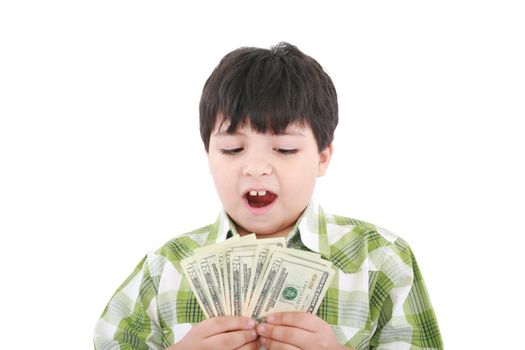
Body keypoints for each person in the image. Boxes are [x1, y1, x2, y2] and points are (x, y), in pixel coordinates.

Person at [93, 42, 443, 350]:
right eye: (232, 149)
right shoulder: (166, 266)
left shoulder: (380, 259)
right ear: (208, 156)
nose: (256, 167)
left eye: (285, 148)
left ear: (322, 158)